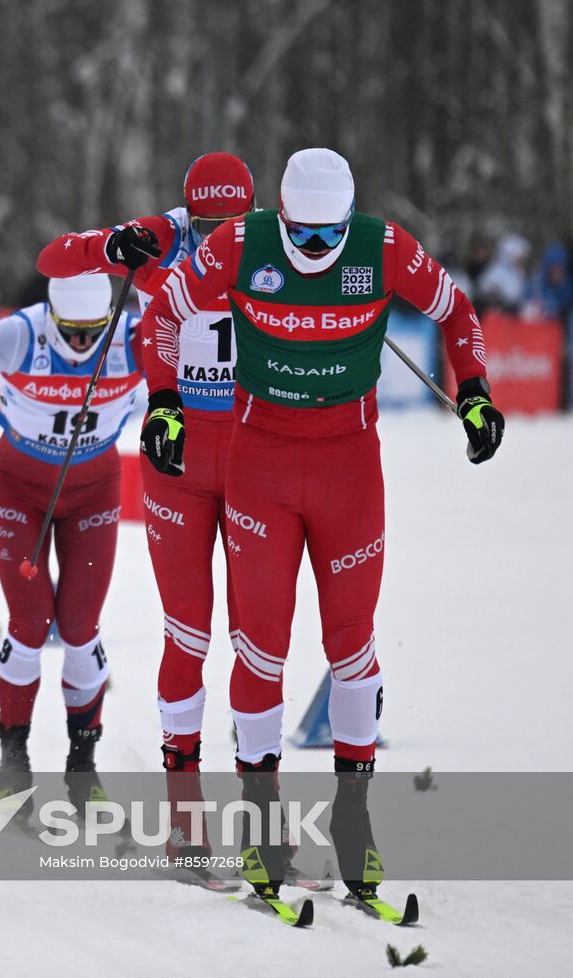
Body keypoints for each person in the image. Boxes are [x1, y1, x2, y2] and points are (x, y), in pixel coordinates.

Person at [136, 147, 504, 904]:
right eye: (297, 234)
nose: (308, 251)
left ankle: (353, 824)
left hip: (348, 465)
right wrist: (165, 403)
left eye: (323, 237)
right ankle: (263, 832)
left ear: (346, 219)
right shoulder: (240, 243)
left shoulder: (384, 247)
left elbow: (456, 309)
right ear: (279, 214)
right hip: (261, 459)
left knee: (351, 643)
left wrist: (474, 392)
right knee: (260, 645)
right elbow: (165, 317)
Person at [38, 152, 255, 864]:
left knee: (259, 641)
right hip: (178, 455)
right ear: (190, 213)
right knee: (188, 633)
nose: (222, 235)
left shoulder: (276, 245)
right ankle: (186, 821)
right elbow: (52, 257)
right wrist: (108, 247)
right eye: (208, 222)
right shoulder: (162, 237)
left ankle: (264, 818)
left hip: (258, 456)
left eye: (235, 221)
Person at [0, 273, 141, 811]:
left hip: (93, 489)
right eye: (72, 331)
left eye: (93, 331)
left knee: (82, 628)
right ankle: (13, 762)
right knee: (30, 623)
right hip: (21, 486)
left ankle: (82, 767)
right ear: (52, 316)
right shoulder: (21, 335)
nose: (83, 344)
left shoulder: (132, 337)